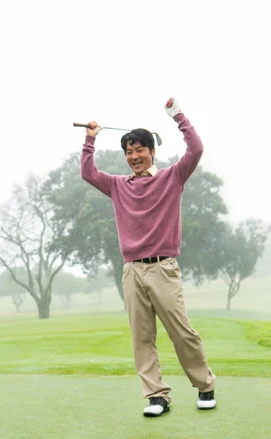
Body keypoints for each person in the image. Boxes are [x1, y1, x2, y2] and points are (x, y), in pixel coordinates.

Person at [80, 98, 216, 417]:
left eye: (139, 150)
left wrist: (177, 116)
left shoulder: (172, 177)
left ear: (151, 151)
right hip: (131, 271)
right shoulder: (117, 186)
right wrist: (90, 138)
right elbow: (88, 172)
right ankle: (157, 396)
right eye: (129, 152)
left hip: (163, 268)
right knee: (141, 338)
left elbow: (195, 149)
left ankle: (205, 385)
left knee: (181, 331)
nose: (134, 157)